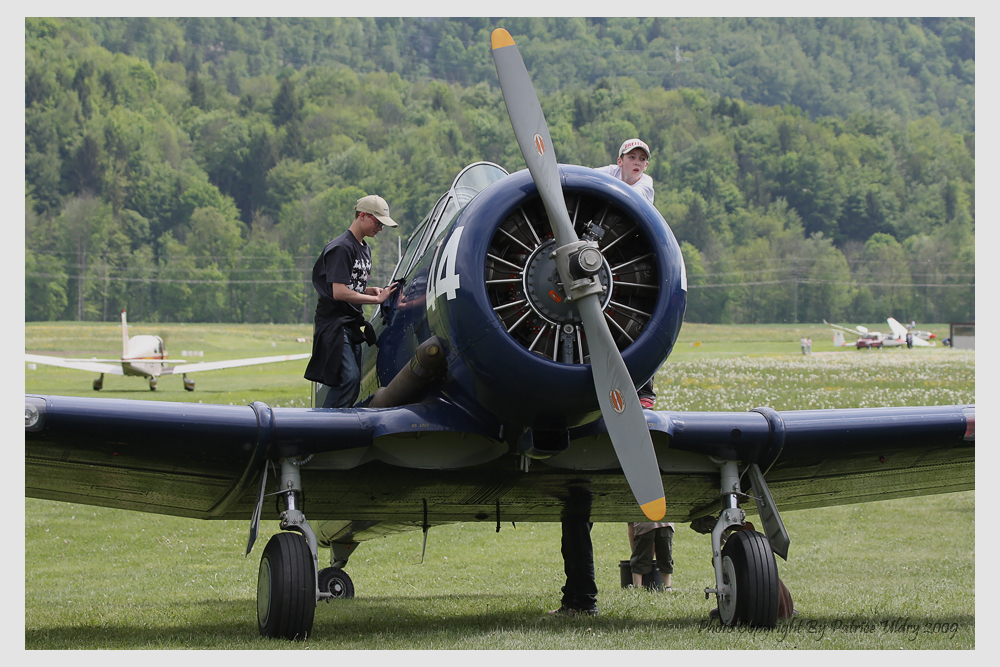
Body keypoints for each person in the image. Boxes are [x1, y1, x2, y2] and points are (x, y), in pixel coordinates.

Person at [304, 195, 399, 408]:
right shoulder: (342, 247)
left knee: (352, 384)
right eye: (378, 222)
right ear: (362, 215)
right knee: (348, 379)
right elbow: (338, 292)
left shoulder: (364, 248)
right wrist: (376, 299)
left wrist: (370, 289)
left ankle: (332, 431)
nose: (380, 229)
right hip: (334, 324)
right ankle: (322, 431)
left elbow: (347, 286)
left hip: (350, 323)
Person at [594, 138, 657, 408]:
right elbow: (572, 177)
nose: (638, 163)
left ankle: (645, 391)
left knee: (643, 319)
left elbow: (632, 199)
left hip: (629, 254)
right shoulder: (606, 172)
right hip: (599, 247)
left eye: (642, 159)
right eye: (632, 157)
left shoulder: (646, 184)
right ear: (620, 161)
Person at [548, 485, 599, 616]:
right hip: (576, 493)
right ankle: (572, 600)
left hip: (580, 491)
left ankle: (585, 604)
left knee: (578, 546)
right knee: (571, 547)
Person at [628, 521, 674, 590]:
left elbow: (631, 534)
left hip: (644, 526)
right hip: (666, 524)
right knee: (665, 558)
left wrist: (634, 554)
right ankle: (668, 587)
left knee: (639, 560)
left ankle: (637, 588)